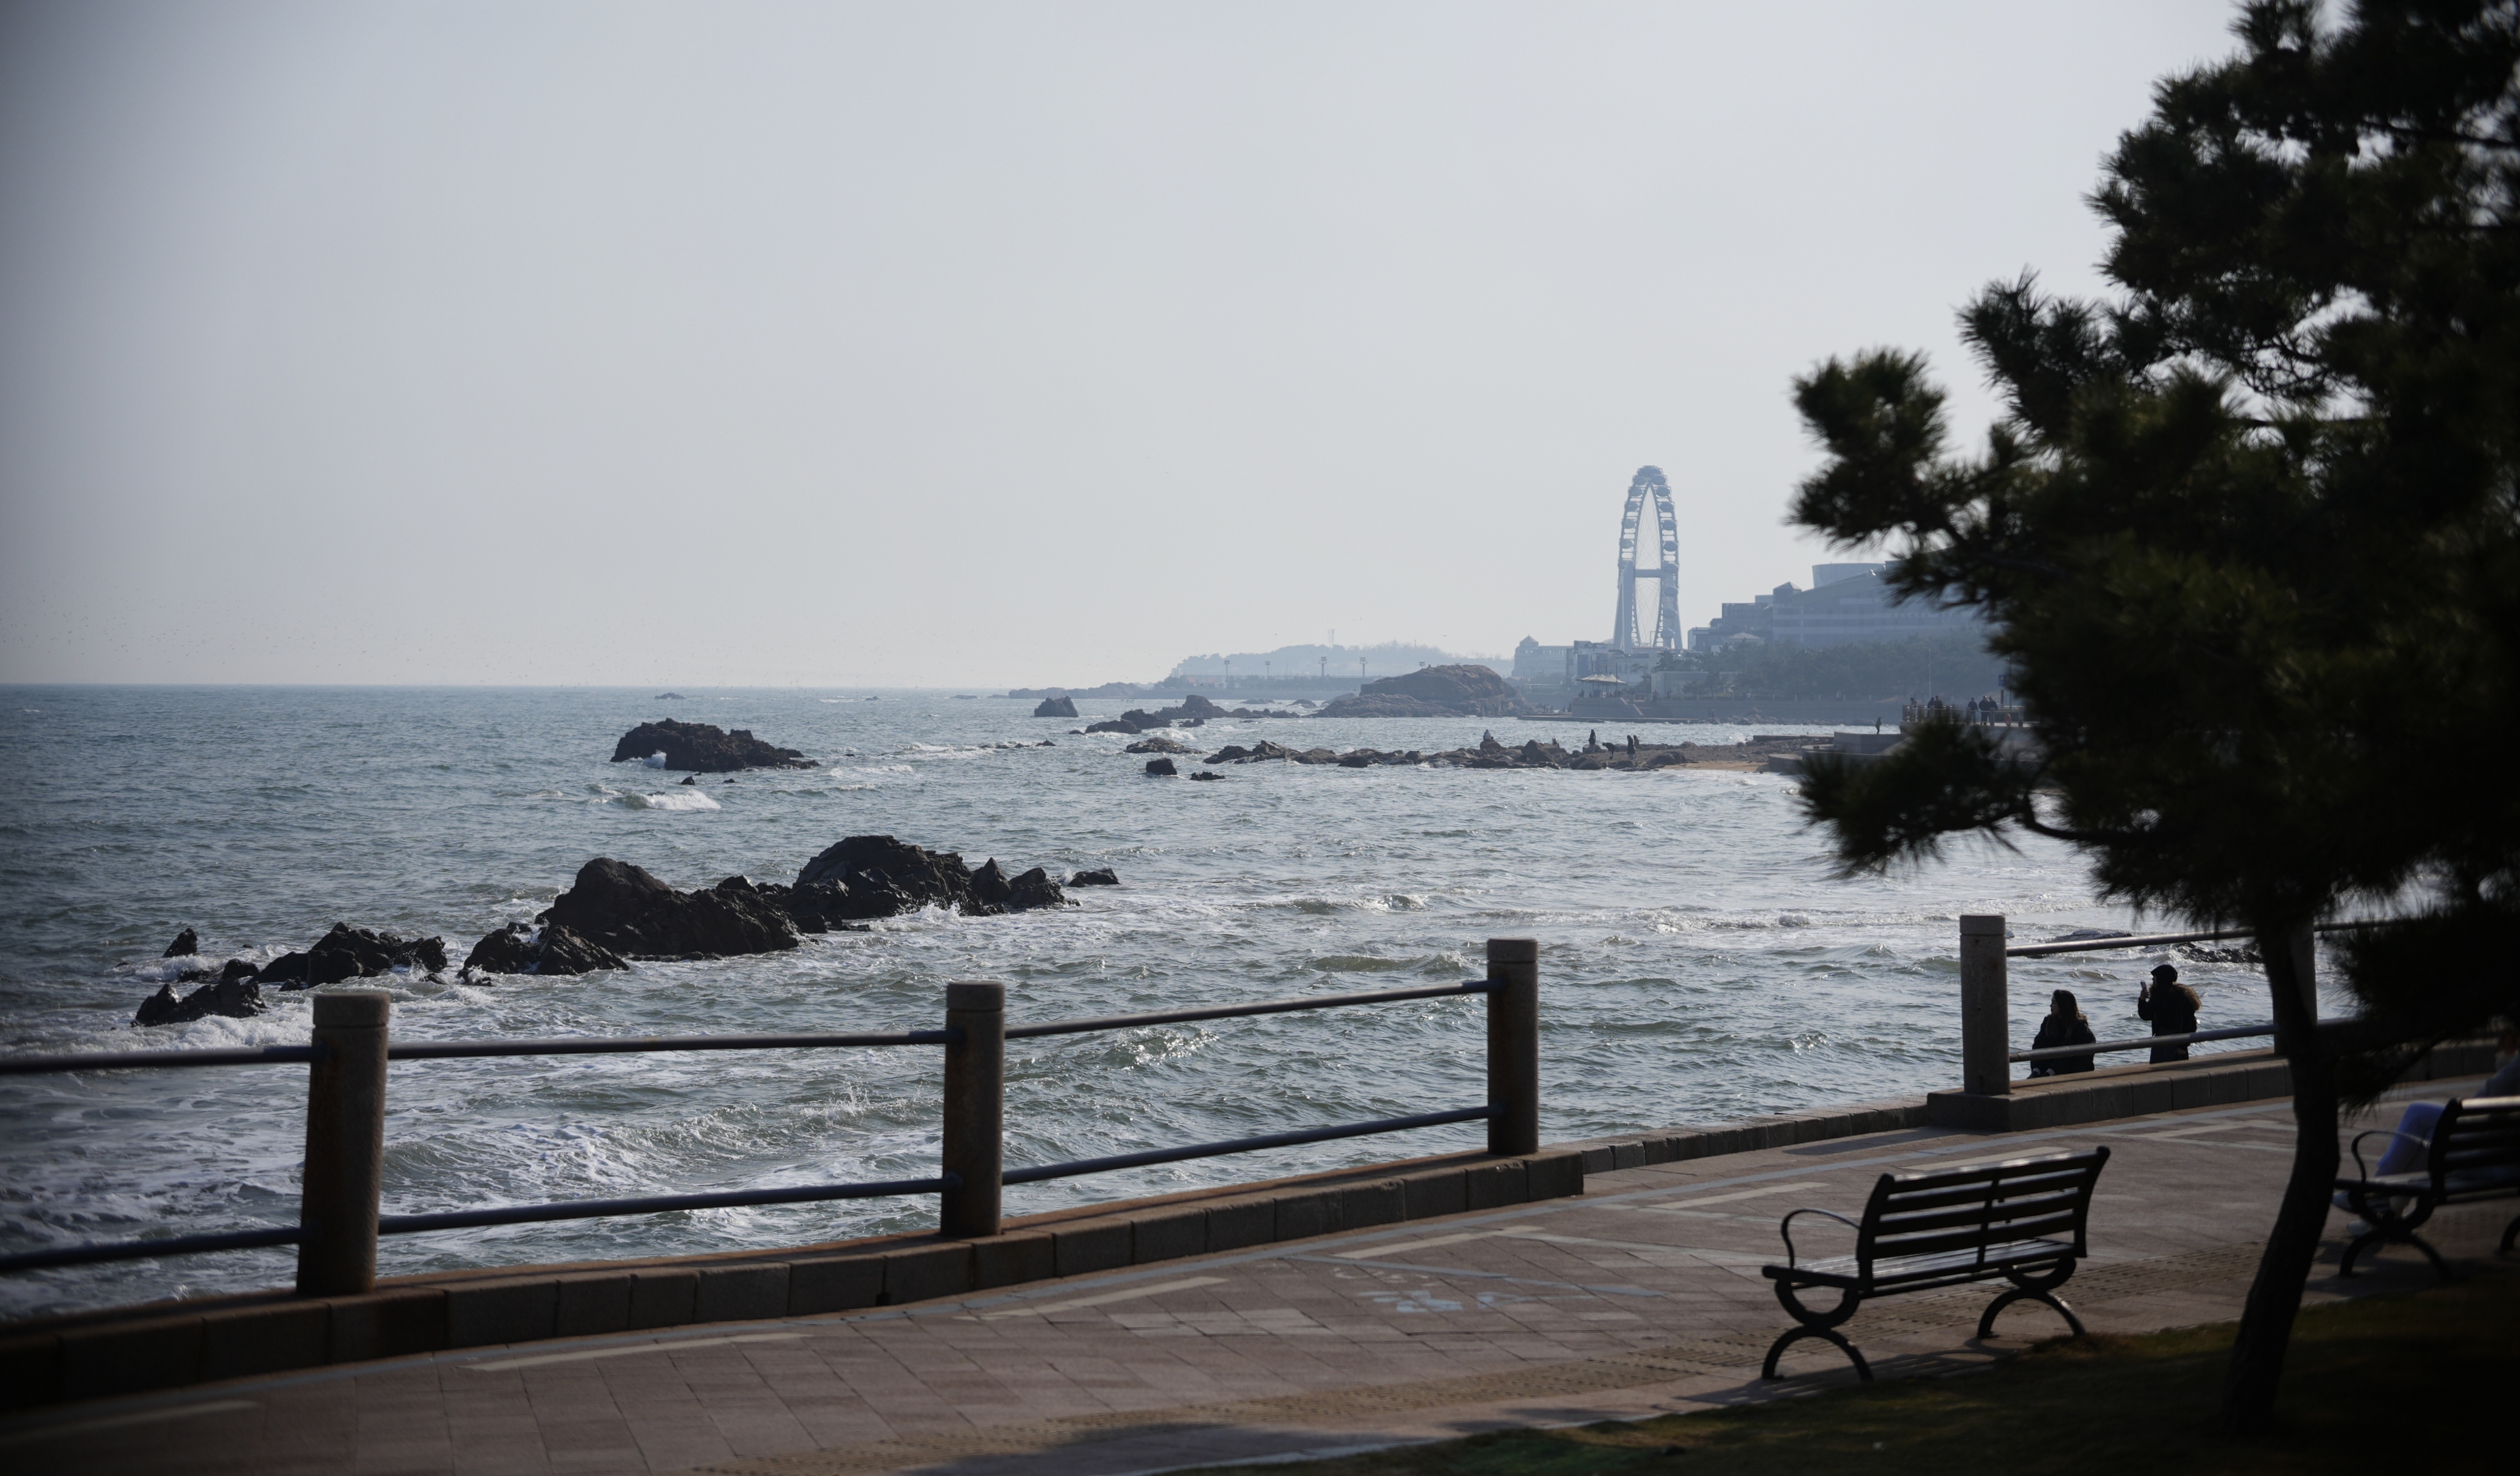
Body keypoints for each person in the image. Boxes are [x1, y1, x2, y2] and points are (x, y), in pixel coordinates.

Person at [2137, 963, 2201, 1064]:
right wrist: (2142, 1000)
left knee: (2172, 1069)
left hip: (2176, 1039)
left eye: (2155, 977)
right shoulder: (2157, 995)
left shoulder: (2181, 998)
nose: (2153, 980)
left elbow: (2190, 1024)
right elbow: (2146, 1015)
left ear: (2162, 979)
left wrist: (2183, 1046)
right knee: (2157, 1069)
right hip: (2159, 1037)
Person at [2028, 989, 2097, 1077]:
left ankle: (2050, 1073)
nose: (2050, 1006)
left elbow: (2084, 1059)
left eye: (2054, 1003)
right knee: (2042, 1041)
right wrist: (2036, 1068)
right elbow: (2038, 1045)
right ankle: (2037, 1071)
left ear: (2063, 1005)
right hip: (2047, 1066)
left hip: (2073, 1072)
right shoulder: (2048, 1022)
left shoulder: (2080, 1028)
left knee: (2068, 1047)